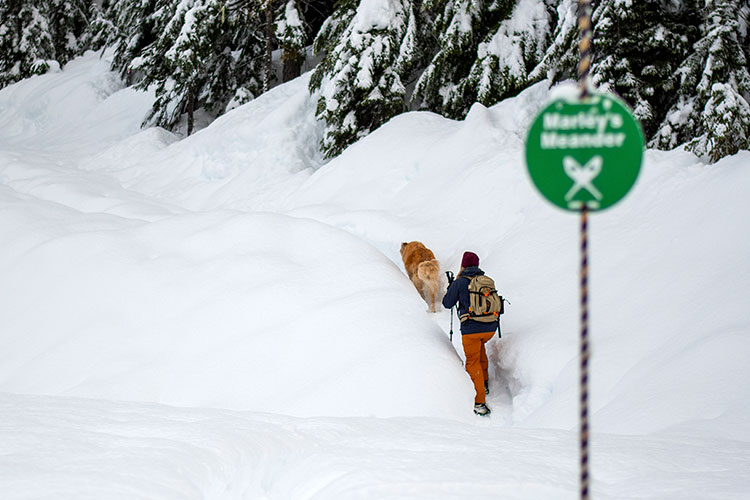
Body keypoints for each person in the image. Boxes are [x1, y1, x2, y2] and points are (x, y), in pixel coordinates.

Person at [442, 251, 499, 416]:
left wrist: (452, 287)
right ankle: (485, 383)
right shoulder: (486, 281)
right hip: (490, 327)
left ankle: (479, 401)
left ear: (463, 265)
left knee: (472, 361)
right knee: (480, 350)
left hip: (471, 329)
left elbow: (447, 303)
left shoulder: (460, 282)